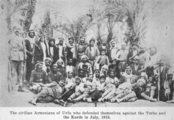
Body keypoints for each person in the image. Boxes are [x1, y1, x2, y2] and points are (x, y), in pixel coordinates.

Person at [8, 27, 27, 92]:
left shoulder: (22, 38)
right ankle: (13, 86)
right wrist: (9, 55)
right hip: (13, 56)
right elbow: (7, 46)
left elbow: (24, 47)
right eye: (16, 30)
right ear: (14, 30)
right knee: (13, 72)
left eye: (19, 30)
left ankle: (20, 86)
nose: (17, 31)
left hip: (21, 56)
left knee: (21, 72)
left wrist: (25, 56)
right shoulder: (10, 37)